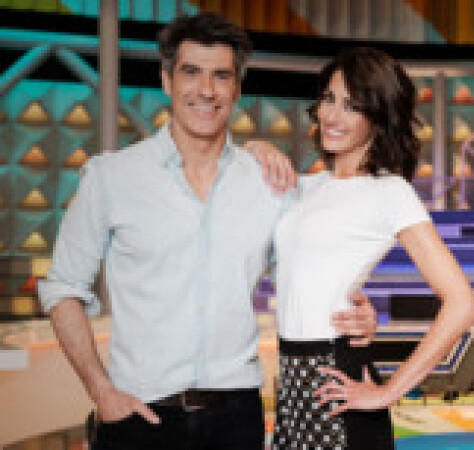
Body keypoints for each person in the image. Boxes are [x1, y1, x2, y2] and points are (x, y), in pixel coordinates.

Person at [38, 13, 376, 450]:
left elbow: (308, 281)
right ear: (166, 80)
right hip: (138, 416)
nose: (206, 90)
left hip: (236, 419)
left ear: (237, 87)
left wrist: (356, 314)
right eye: (191, 72)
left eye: (221, 76)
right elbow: (62, 288)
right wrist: (101, 391)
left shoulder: (270, 184)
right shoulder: (111, 177)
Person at [268, 47, 474, 449]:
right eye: (329, 99)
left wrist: (388, 392)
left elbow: (463, 305)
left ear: (378, 116)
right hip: (291, 381)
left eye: (352, 106)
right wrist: (255, 149)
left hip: (335, 380)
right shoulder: (305, 187)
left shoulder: (389, 192)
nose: (332, 116)